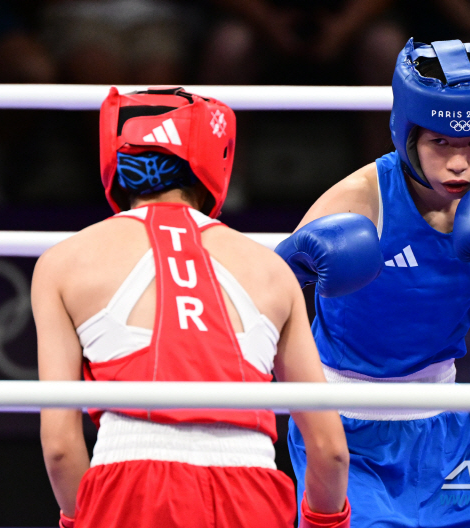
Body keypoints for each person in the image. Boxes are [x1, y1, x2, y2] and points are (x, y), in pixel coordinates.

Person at [32, 87, 351, 528]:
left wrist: (82, 520)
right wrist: (325, 524)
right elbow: (330, 450)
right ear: (212, 158)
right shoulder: (269, 269)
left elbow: (60, 448)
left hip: (129, 481)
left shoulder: (63, 262)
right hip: (251, 484)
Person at [275, 33, 470, 527]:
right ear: (407, 133)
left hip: (447, 431)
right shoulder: (359, 199)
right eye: (440, 141)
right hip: (347, 432)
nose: (460, 162)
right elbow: (262, 313)